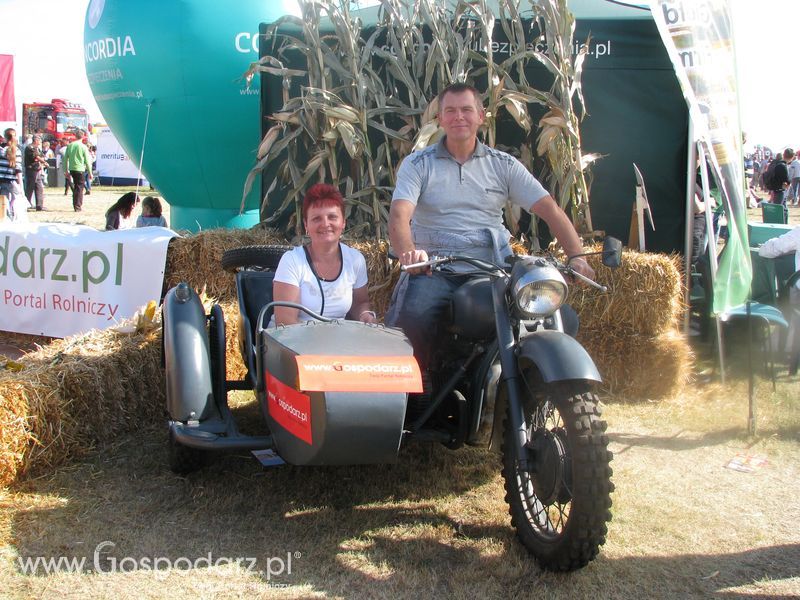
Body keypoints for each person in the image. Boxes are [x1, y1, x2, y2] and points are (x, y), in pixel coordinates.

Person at [387, 82, 593, 372]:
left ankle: (528, 387)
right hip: (435, 268)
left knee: (559, 317)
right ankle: (415, 398)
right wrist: (409, 254)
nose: (459, 117)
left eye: (467, 110)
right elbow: (399, 215)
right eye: (451, 111)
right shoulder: (418, 164)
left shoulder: (503, 165)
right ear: (440, 119)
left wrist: (577, 256)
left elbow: (550, 209)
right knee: (412, 320)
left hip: (493, 270)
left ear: (481, 116)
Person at [271, 183, 375, 326]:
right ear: (306, 225)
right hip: (293, 342)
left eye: (332, 217)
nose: (325, 224)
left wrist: (364, 315)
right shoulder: (292, 261)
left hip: (337, 343)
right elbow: (285, 323)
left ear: (343, 222)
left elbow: (360, 303)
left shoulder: (355, 260)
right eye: (316, 218)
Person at [64, 130, 93, 211]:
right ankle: (77, 206)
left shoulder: (70, 145)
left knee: (76, 187)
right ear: (83, 136)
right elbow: (87, 161)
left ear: (75, 136)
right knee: (79, 188)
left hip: (72, 169)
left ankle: (75, 204)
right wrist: (90, 172)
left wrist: (65, 170)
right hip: (80, 169)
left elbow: (65, 159)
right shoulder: (83, 147)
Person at [0, 128, 24, 221]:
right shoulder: (16, 150)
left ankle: (4, 219)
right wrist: (21, 187)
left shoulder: (1, 150)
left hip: (1, 181)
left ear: (4, 137)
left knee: (2, 203)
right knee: (15, 201)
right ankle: (13, 219)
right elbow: (18, 170)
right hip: (11, 181)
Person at [23, 134, 47, 210]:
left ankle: (39, 205)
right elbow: (36, 156)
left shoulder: (37, 148)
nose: (40, 142)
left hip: (37, 169)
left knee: (39, 187)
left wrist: (42, 160)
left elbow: (42, 155)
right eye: (39, 140)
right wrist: (44, 162)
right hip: (31, 170)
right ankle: (26, 204)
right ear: (36, 140)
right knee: (30, 187)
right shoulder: (30, 147)